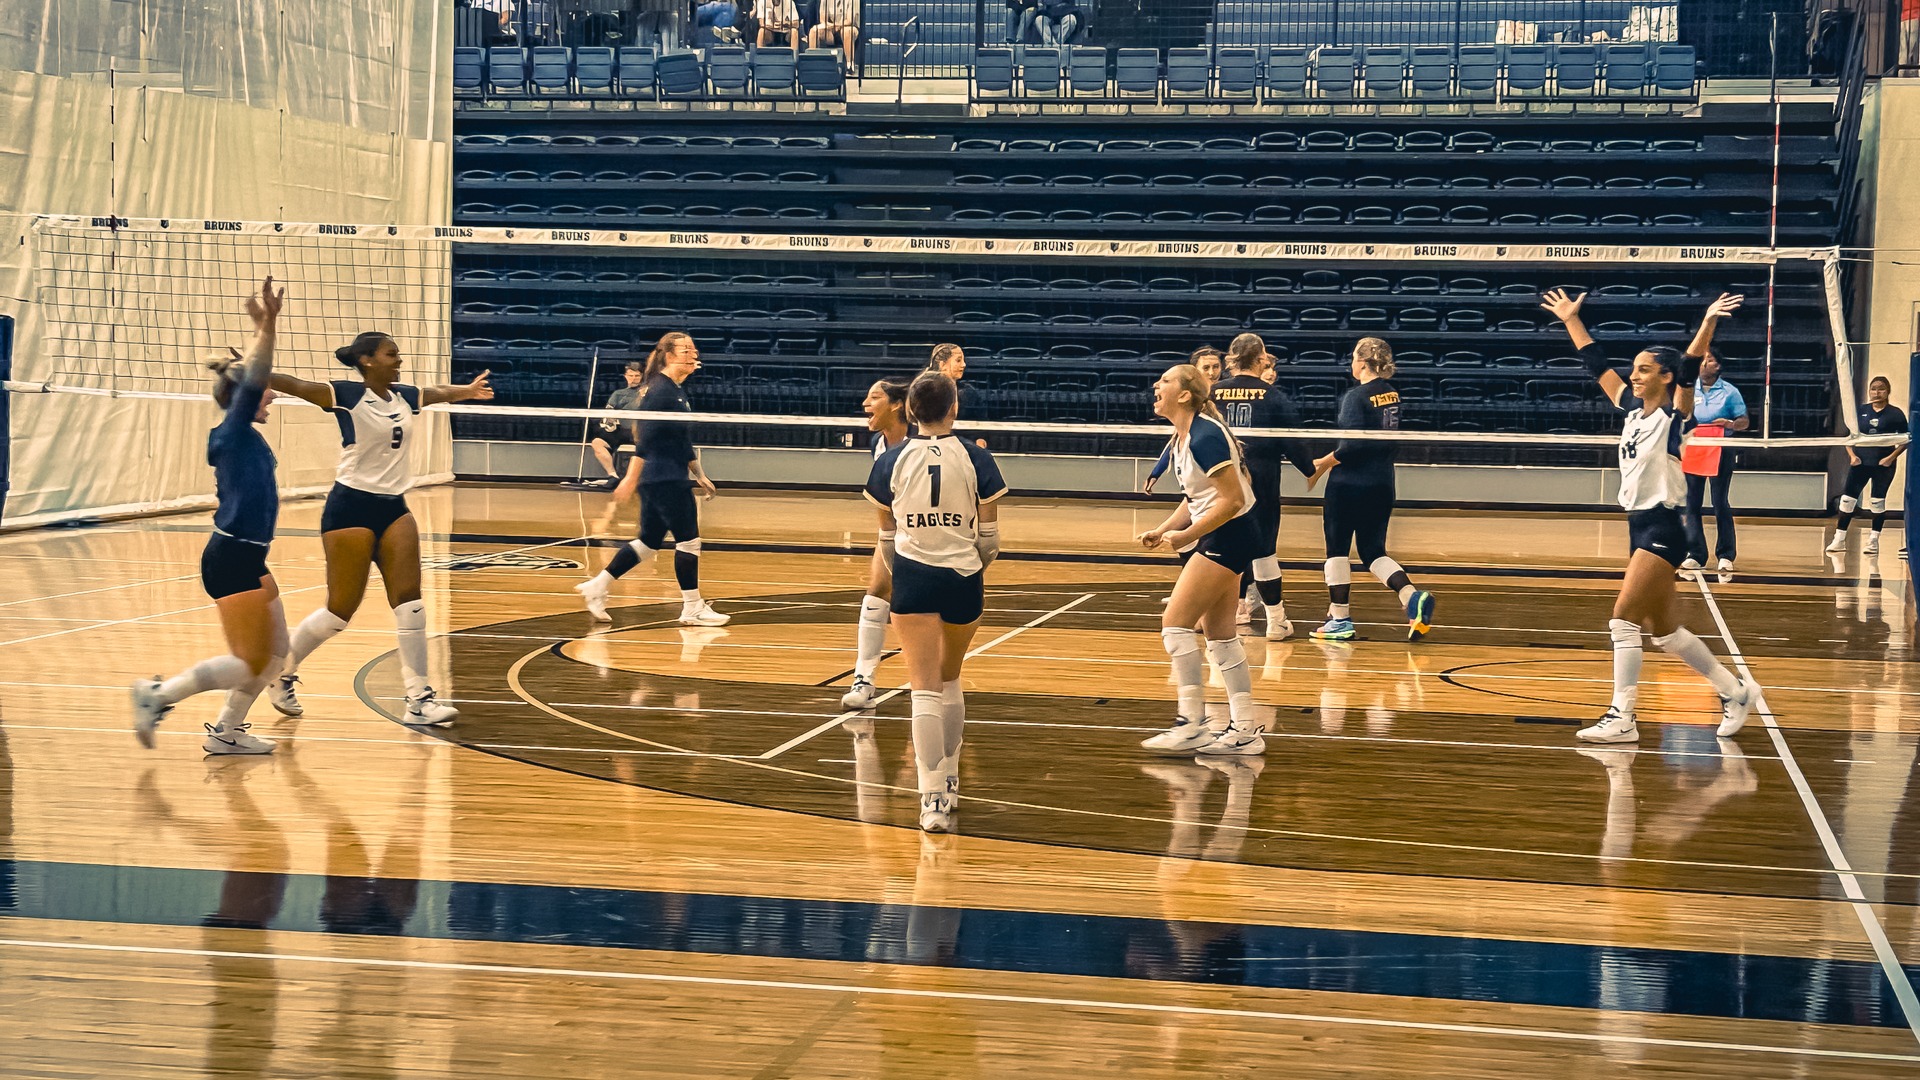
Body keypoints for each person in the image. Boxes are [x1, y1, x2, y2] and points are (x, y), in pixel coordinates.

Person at [1541, 287, 1759, 744]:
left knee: (1623, 620)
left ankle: (1623, 716)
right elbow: (1596, 364)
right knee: (1664, 631)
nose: (1634, 376)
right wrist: (1570, 320)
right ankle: (1735, 691)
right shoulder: (1630, 409)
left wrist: (1708, 321)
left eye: (1644, 369)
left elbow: (1690, 364)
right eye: (1634, 369)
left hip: (1665, 524)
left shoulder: (1676, 415)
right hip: (1638, 523)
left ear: (1666, 376)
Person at [267, 338, 494, 726]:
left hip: (393, 507)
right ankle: (282, 670)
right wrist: (254, 370)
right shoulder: (346, 394)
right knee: (339, 613)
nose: (399, 360)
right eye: (391, 354)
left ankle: (418, 700)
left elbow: (435, 393)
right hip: (350, 506)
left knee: (411, 604)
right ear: (367, 361)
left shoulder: (404, 395)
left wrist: (467, 391)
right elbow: (295, 385)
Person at [132, 277, 288, 755]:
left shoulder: (242, 434)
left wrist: (260, 329)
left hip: (249, 556)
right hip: (231, 558)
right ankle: (159, 696)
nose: (273, 396)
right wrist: (268, 325)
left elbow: (250, 378)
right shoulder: (232, 433)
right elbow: (254, 376)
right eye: (266, 391)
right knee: (248, 663)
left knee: (277, 655)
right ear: (247, 398)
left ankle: (227, 732)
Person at [865, 372, 1007, 833]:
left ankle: (932, 799)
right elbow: (990, 539)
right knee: (950, 679)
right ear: (954, 409)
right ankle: (952, 781)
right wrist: (969, 564)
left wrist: (909, 569)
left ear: (910, 411)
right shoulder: (976, 457)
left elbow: (886, 539)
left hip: (913, 579)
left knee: (922, 688)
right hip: (964, 577)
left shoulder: (891, 459)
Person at [1137, 364, 1268, 757]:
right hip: (1226, 533)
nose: (1156, 384)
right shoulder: (1183, 437)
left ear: (1184, 394)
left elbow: (1232, 500)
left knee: (1174, 623)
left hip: (1231, 532)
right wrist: (1164, 529)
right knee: (1220, 636)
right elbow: (1197, 498)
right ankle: (1245, 730)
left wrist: (1186, 536)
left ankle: (1191, 723)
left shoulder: (1205, 435)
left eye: (1165, 380)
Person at [576, 332, 728, 627]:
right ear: (669, 355)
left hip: (666, 476)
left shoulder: (675, 390)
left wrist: (699, 474)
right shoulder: (660, 391)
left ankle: (597, 586)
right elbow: (643, 438)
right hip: (663, 478)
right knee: (689, 541)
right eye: (686, 350)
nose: (693, 354)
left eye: (694, 349)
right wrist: (630, 479)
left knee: (648, 542)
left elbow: (680, 440)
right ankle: (692, 607)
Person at [1304, 338, 1437, 643]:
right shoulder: (1390, 393)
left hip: (1349, 484)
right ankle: (1411, 596)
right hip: (1382, 481)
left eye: (1353, 358)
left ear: (1362, 363)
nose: (1351, 363)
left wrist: (1322, 463)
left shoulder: (1356, 397)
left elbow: (1353, 446)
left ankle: (1340, 619)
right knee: (1372, 551)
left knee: (1337, 550)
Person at [1211, 334, 1315, 638]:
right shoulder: (1273, 397)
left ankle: (1221, 614)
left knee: (1219, 548)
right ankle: (1276, 620)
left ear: (1231, 360)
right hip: (1261, 484)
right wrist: (1309, 468)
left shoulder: (1213, 393)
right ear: (1260, 359)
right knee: (1264, 551)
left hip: (1220, 483)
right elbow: (1294, 443)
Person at [843, 379, 913, 710]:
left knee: (926, 609)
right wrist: (887, 537)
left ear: (896, 405)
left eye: (874, 397)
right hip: (894, 532)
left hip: (932, 535)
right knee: (875, 593)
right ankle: (863, 680)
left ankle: (935, 683)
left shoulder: (922, 439)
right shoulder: (878, 444)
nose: (865, 404)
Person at [1680, 351, 1749, 572]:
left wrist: (1730, 424)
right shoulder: (1689, 390)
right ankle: (1695, 553)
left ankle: (1726, 554)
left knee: (1720, 501)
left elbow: (1744, 421)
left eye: (1709, 360)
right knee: (1692, 502)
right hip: (1694, 447)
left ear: (1718, 366)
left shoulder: (1730, 391)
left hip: (1721, 448)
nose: (1703, 363)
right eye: (1702, 360)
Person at [1829, 375, 1909, 557]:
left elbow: (1906, 440)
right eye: (1873, 388)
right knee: (1847, 500)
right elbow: (1849, 436)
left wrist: (1891, 458)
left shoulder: (1895, 414)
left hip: (1883, 465)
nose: (1876, 392)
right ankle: (1839, 539)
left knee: (1877, 503)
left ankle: (1873, 540)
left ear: (1888, 391)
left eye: (1881, 388)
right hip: (1861, 463)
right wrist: (1852, 456)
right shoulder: (1860, 411)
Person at [1143, 346, 1222, 495]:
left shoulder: (1228, 392)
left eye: (1216, 367)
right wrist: (1157, 471)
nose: (1212, 373)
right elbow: (1178, 438)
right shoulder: (1190, 401)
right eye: (1206, 368)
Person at [588, 360, 646, 489]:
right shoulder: (618, 394)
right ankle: (613, 476)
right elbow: (608, 412)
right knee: (597, 443)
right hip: (621, 431)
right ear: (625, 376)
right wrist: (610, 422)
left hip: (642, 432)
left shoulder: (648, 393)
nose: (633, 379)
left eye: (637, 376)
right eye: (631, 375)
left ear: (642, 376)